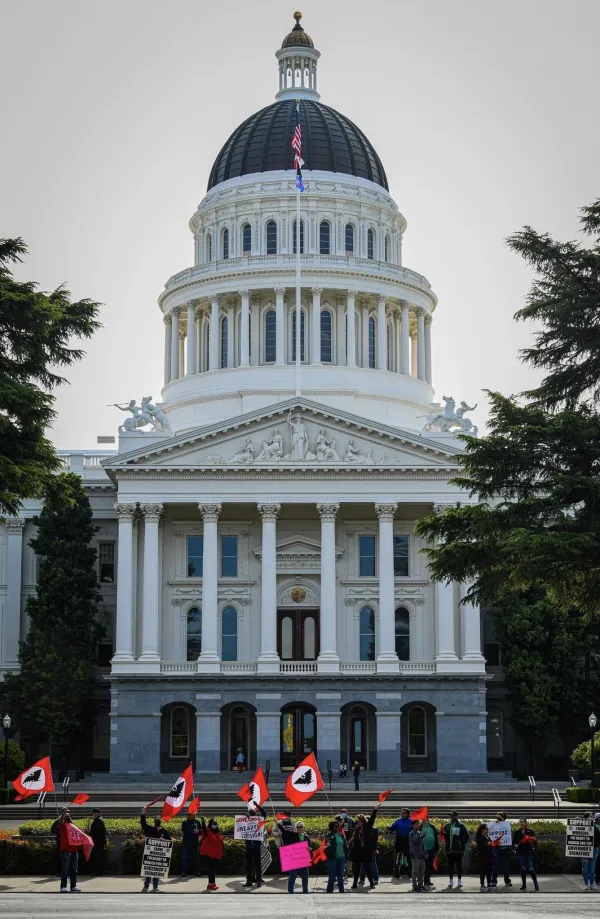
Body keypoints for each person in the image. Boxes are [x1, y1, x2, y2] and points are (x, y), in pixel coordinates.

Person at [140, 806, 171, 892]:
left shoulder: (164, 831)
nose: (158, 821)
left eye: (159, 820)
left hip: (160, 855)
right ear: (154, 821)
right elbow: (143, 823)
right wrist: (143, 813)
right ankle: (146, 886)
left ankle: (155, 886)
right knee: (149, 871)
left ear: (161, 821)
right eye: (157, 820)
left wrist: (163, 840)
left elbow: (169, 841)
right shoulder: (149, 829)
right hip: (150, 855)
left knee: (157, 871)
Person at [349, 810, 378, 889]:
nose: (357, 821)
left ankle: (371, 883)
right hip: (358, 851)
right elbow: (353, 837)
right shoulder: (357, 829)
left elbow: (372, 819)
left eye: (358, 820)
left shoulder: (367, 827)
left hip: (365, 851)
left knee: (367, 868)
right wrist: (347, 842)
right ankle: (355, 883)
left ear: (362, 820)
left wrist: (375, 810)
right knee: (357, 869)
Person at [442, 810, 470, 889]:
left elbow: (466, 837)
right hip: (449, 850)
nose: (451, 817)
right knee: (450, 866)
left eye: (453, 815)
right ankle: (450, 880)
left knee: (459, 865)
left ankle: (459, 880)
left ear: (457, 816)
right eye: (450, 816)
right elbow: (446, 837)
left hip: (458, 850)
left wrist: (460, 842)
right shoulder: (447, 825)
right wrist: (443, 834)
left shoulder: (461, 825)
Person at [57, 810, 82, 893]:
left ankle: (73, 886)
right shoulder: (62, 826)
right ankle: (63, 886)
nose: (68, 817)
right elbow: (60, 822)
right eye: (66, 816)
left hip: (74, 851)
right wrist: (63, 816)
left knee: (74, 870)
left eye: (69, 816)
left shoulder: (73, 826)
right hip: (66, 851)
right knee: (65, 870)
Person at [243, 803, 267, 888]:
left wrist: (257, 805)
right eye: (250, 814)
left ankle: (258, 880)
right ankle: (249, 880)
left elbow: (264, 813)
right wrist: (245, 819)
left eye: (252, 814)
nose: (251, 815)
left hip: (256, 845)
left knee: (257, 864)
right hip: (249, 845)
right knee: (249, 864)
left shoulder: (260, 820)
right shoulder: (246, 821)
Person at [513, 817, 539, 892]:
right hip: (520, 853)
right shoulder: (517, 832)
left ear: (526, 823)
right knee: (523, 869)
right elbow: (513, 842)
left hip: (529, 853)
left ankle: (536, 885)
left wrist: (534, 840)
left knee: (531, 868)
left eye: (523, 822)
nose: (521, 823)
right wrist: (515, 846)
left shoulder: (530, 831)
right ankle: (524, 885)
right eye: (520, 822)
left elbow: (535, 842)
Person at [286, 819, 311, 894]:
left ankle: (305, 891)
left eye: (300, 827)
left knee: (305, 878)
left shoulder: (306, 837)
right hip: (294, 860)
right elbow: (284, 831)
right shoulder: (293, 835)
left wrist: (309, 849)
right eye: (297, 827)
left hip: (303, 860)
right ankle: (290, 892)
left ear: (303, 827)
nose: (299, 828)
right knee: (292, 878)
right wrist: (277, 823)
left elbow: (310, 847)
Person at [200, 816, 224, 891]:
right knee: (211, 870)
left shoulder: (218, 833)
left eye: (215, 824)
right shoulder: (208, 832)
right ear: (210, 825)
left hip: (215, 855)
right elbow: (204, 829)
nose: (215, 825)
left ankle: (210, 884)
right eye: (213, 824)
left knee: (212, 869)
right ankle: (212, 884)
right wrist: (203, 821)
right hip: (209, 854)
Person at [325, 819, 348, 893]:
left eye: (338, 826)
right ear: (331, 827)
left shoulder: (341, 835)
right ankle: (329, 892)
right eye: (335, 826)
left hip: (342, 858)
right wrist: (328, 843)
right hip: (333, 859)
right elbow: (328, 841)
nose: (337, 828)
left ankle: (341, 892)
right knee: (332, 877)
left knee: (340, 877)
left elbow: (345, 844)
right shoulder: (329, 835)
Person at [491, 810, 512, 888]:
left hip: (505, 849)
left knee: (505, 866)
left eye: (499, 818)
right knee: (495, 865)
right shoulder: (494, 825)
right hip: (496, 848)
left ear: (504, 818)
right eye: (497, 818)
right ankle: (493, 881)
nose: (497, 819)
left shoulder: (507, 826)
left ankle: (507, 881)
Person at [389, 808, 412, 879]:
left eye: (404, 813)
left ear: (408, 814)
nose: (402, 814)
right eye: (401, 813)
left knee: (409, 858)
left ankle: (410, 871)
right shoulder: (398, 821)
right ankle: (396, 872)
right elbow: (391, 828)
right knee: (397, 857)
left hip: (408, 841)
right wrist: (390, 827)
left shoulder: (411, 821)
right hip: (399, 841)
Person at [580, 811, 599, 891]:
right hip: (584, 850)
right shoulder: (581, 826)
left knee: (592, 869)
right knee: (585, 869)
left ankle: (592, 884)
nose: (592, 817)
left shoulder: (595, 827)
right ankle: (586, 884)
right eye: (590, 816)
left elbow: (598, 838)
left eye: (592, 816)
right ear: (586, 817)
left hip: (594, 850)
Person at [408, 818, 428, 892]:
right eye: (416, 824)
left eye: (419, 824)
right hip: (415, 855)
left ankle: (420, 885)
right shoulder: (411, 833)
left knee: (421, 872)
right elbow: (415, 840)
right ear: (413, 825)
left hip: (421, 855)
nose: (418, 825)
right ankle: (414, 886)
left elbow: (422, 844)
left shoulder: (420, 832)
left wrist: (425, 852)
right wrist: (422, 835)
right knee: (415, 871)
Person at [180, 812, 201, 877]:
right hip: (186, 843)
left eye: (192, 815)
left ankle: (197, 871)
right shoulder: (184, 822)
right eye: (189, 815)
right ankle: (183, 872)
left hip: (195, 843)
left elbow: (201, 831)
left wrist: (199, 831)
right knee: (185, 858)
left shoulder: (197, 822)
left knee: (196, 858)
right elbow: (185, 830)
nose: (191, 816)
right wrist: (193, 831)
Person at [475, 823, 494, 891]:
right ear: (482, 829)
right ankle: (482, 885)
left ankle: (489, 884)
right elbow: (480, 845)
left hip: (489, 856)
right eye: (486, 829)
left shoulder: (487, 836)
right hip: (482, 856)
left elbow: (491, 844)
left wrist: (493, 843)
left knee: (489, 871)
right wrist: (487, 844)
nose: (487, 830)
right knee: (482, 871)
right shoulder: (479, 836)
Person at [87, 809, 106, 875]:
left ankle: (98, 872)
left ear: (97, 813)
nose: (93, 814)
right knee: (98, 856)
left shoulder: (98, 821)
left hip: (97, 842)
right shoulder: (99, 820)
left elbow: (95, 832)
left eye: (94, 813)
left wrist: (89, 832)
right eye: (93, 813)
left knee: (97, 857)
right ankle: (98, 871)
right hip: (99, 842)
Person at [422, 816, 439, 889]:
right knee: (423, 866)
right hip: (422, 850)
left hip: (431, 849)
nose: (425, 820)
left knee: (430, 866)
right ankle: (423, 881)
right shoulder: (419, 827)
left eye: (426, 818)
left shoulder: (432, 827)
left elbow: (436, 838)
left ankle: (427, 880)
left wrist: (437, 848)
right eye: (424, 818)